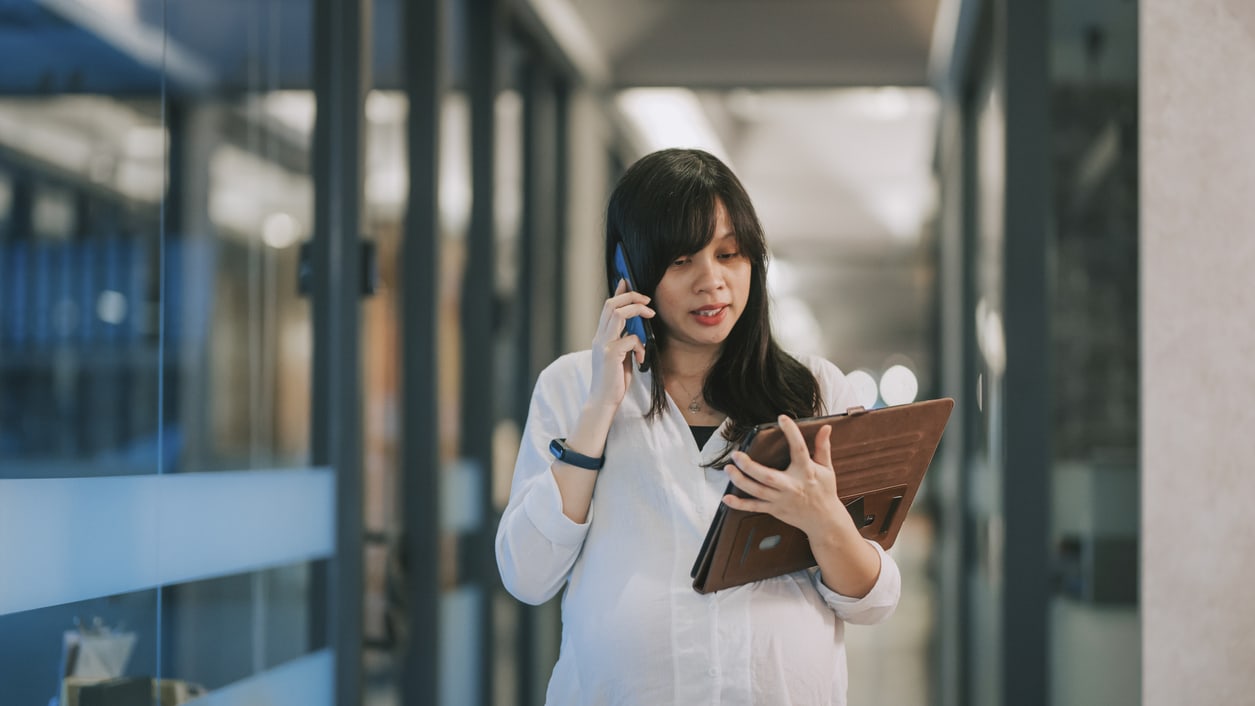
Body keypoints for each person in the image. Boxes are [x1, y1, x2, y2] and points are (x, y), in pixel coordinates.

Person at [495, 148, 900, 705]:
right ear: (629, 270)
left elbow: (875, 600)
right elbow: (527, 574)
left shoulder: (816, 393)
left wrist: (824, 520)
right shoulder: (573, 387)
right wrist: (597, 414)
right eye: (681, 260)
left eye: (729, 254)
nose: (712, 282)